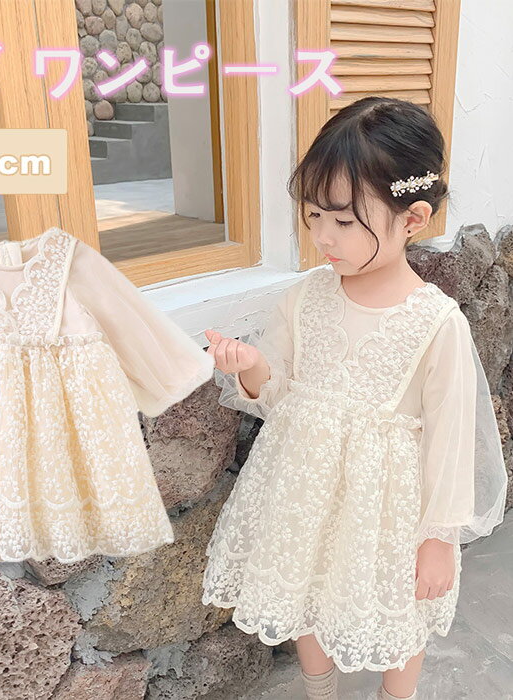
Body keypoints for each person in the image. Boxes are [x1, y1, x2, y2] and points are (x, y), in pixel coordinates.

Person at [201, 97, 507, 700]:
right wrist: (251, 367)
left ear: (413, 219)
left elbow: (452, 440)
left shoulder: (435, 323)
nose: (322, 237)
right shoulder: (305, 298)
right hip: (301, 492)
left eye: (343, 221)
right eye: (314, 215)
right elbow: (277, 396)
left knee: (403, 610)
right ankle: (321, 691)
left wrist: (439, 539)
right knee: (306, 594)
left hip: (387, 509)